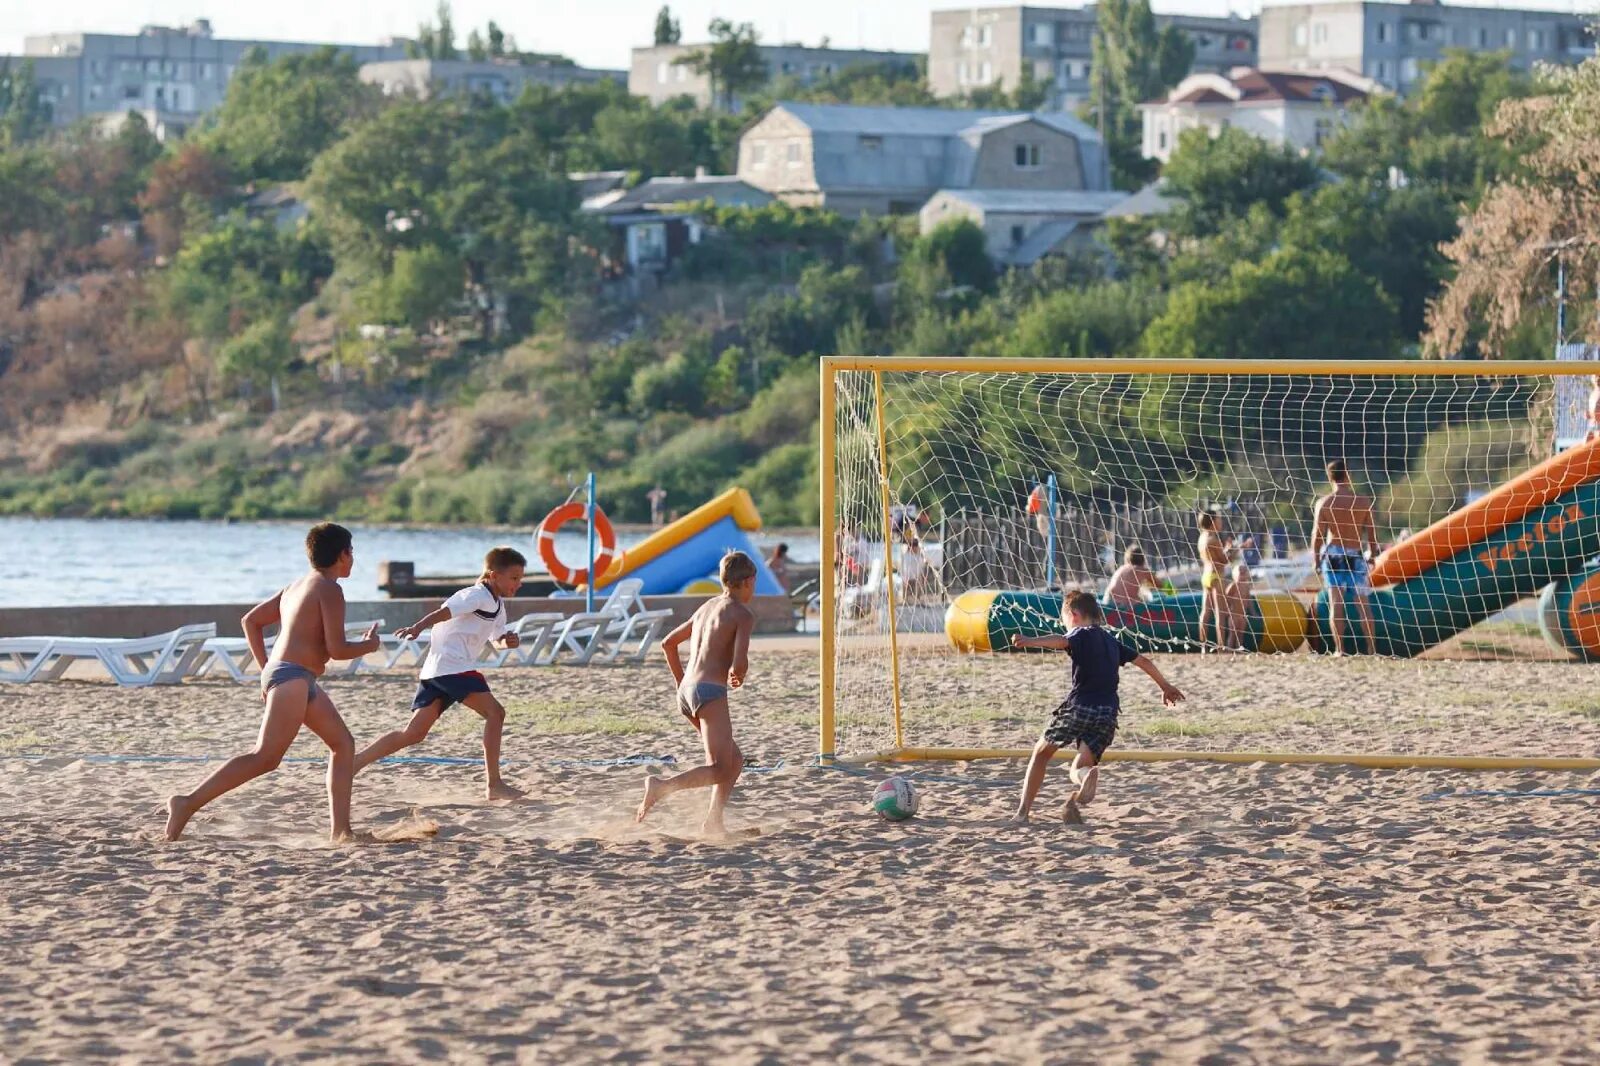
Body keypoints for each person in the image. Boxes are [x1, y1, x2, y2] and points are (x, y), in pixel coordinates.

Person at [164, 523, 382, 842]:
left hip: (294, 677)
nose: (353, 559)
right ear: (342, 554)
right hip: (292, 677)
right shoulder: (329, 589)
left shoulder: (296, 585)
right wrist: (369, 645)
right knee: (265, 757)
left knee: (343, 744)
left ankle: (341, 831)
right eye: (352, 552)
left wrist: (268, 670)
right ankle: (187, 802)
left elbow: (250, 621)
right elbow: (336, 650)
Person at [353, 547, 528, 801]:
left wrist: (506, 641)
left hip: (439, 671)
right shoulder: (474, 594)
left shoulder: (497, 605)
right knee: (495, 713)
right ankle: (494, 784)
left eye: (520, 579)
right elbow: (444, 612)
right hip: (452, 668)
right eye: (514, 578)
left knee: (413, 734)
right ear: (492, 575)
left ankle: (357, 761)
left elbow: (496, 638)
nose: (519, 584)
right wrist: (417, 627)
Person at [1009, 590, 1184, 825]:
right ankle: (1084, 778)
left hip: (1080, 706)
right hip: (1108, 714)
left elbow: (1061, 640)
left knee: (1041, 754)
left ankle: (1022, 813)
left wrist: (1031, 641)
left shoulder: (1079, 633)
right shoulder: (1112, 641)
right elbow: (1144, 661)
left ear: (1073, 615)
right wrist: (1165, 686)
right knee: (1079, 767)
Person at [636, 551, 757, 836]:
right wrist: (739, 674)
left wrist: (681, 682)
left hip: (687, 693)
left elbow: (668, 643)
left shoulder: (707, 606)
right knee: (718, 768)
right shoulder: (742, 614)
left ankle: (713, 822)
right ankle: (661, 787)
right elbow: (739, 662)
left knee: (733, 761)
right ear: (750, 581)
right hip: (710, 692)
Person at [1311, 459, 1380, 655]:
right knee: (1363, 605)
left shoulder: (1324, 503)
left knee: (1336, 603)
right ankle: (1371, 649)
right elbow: (1372, 534)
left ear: (1329, 476)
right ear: (1347, 475)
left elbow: (1317, 535)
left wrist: (1316, 561)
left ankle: (1339, 650)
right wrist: (1373, 555)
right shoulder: (1363, 501)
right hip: (1355, 554)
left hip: (1333, 554)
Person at [1195, 512, 1230, 650]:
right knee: (1219, 612)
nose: (1221, 522)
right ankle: (1221, 646)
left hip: (1205, 575)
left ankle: (1203, 646)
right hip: (1216, 575)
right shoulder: (1213, 539)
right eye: (1219, 519)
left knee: (1205, 611)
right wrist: (1231, 549)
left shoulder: (1202, 537)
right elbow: (1224, 560)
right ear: (1212, 521)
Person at [1222, 548, 1253, 650]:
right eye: (1241, 572)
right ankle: (1230, 649)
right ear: (1235, 574)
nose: (1243, 575)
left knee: (1240, 635)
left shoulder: (1246, 586)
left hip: (1242, 615)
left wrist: (1253, 612)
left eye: (1244, 572)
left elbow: (1248, 600)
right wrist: (1227, 610)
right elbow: (1226, 597)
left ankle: (1239, 649)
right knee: (1232, 634)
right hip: (1233, 615)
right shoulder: (1234, 585)